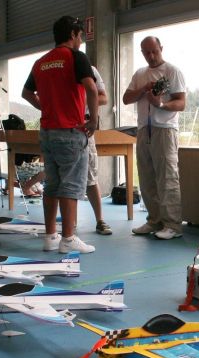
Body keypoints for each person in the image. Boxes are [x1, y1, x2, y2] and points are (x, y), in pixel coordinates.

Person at [21, 16, 99, 254]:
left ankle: (50, 236)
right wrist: (93, 120)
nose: (81, 40)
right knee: (72, 185)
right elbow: (92, 89)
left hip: (47, 132)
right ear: (74, 34)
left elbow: (26, 93)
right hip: (71, 131)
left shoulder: (41, 62)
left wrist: (46, 107)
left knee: (52, 184)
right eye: (80, 36)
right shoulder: (76, 57)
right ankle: (68, 239)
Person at [123, 36, 186, 240]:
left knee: (167, 177)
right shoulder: (140, 74)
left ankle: (172, 225)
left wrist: (160, 105)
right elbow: (126, 98)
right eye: (146, 52)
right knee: (147, 177)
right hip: (143, 129)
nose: (151, 56)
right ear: (142, 53)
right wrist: (143, 89)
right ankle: (154, 220)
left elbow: (181, 103)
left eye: (154, 51)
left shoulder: (172, 71)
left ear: (161, 48)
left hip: (165, 129)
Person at [86, 65, 112, 235]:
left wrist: (83, 99)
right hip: (60, 127)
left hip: (85, 126)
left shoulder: (90, 69)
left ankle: (99, 220)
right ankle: (67, 223)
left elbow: (103, 98)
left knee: (91, 177)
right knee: (60, 180)